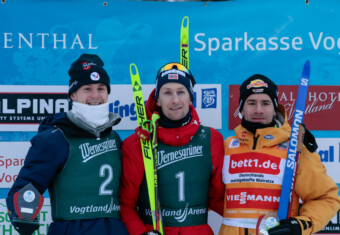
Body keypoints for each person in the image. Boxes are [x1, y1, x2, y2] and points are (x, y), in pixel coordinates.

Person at [6, 54, 129, 235]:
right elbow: (28, 185)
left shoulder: (114, 138)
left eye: (101, 89)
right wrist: (23, 212)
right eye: (87, 89)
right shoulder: (55, 139)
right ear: (73, 95)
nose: (96, 95)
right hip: (73, 229)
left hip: (114, 229)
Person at [219, 74, 340, 235]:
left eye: (266, 103)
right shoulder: (227, 146)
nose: (259, 109)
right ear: (241, 108)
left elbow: (326, 198)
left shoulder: (294, 148)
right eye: (251, 103)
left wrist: (299, 225)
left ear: (274, 107)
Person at [120, 62, 225, 235]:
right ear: (158, 99)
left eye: (181, 92)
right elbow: (125, 204)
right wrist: (141, 233)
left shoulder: (212, 139)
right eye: (167, 93)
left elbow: (219, 199)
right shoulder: (138, 143)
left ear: (190, 98)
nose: (175, 100)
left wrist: (260, 216)